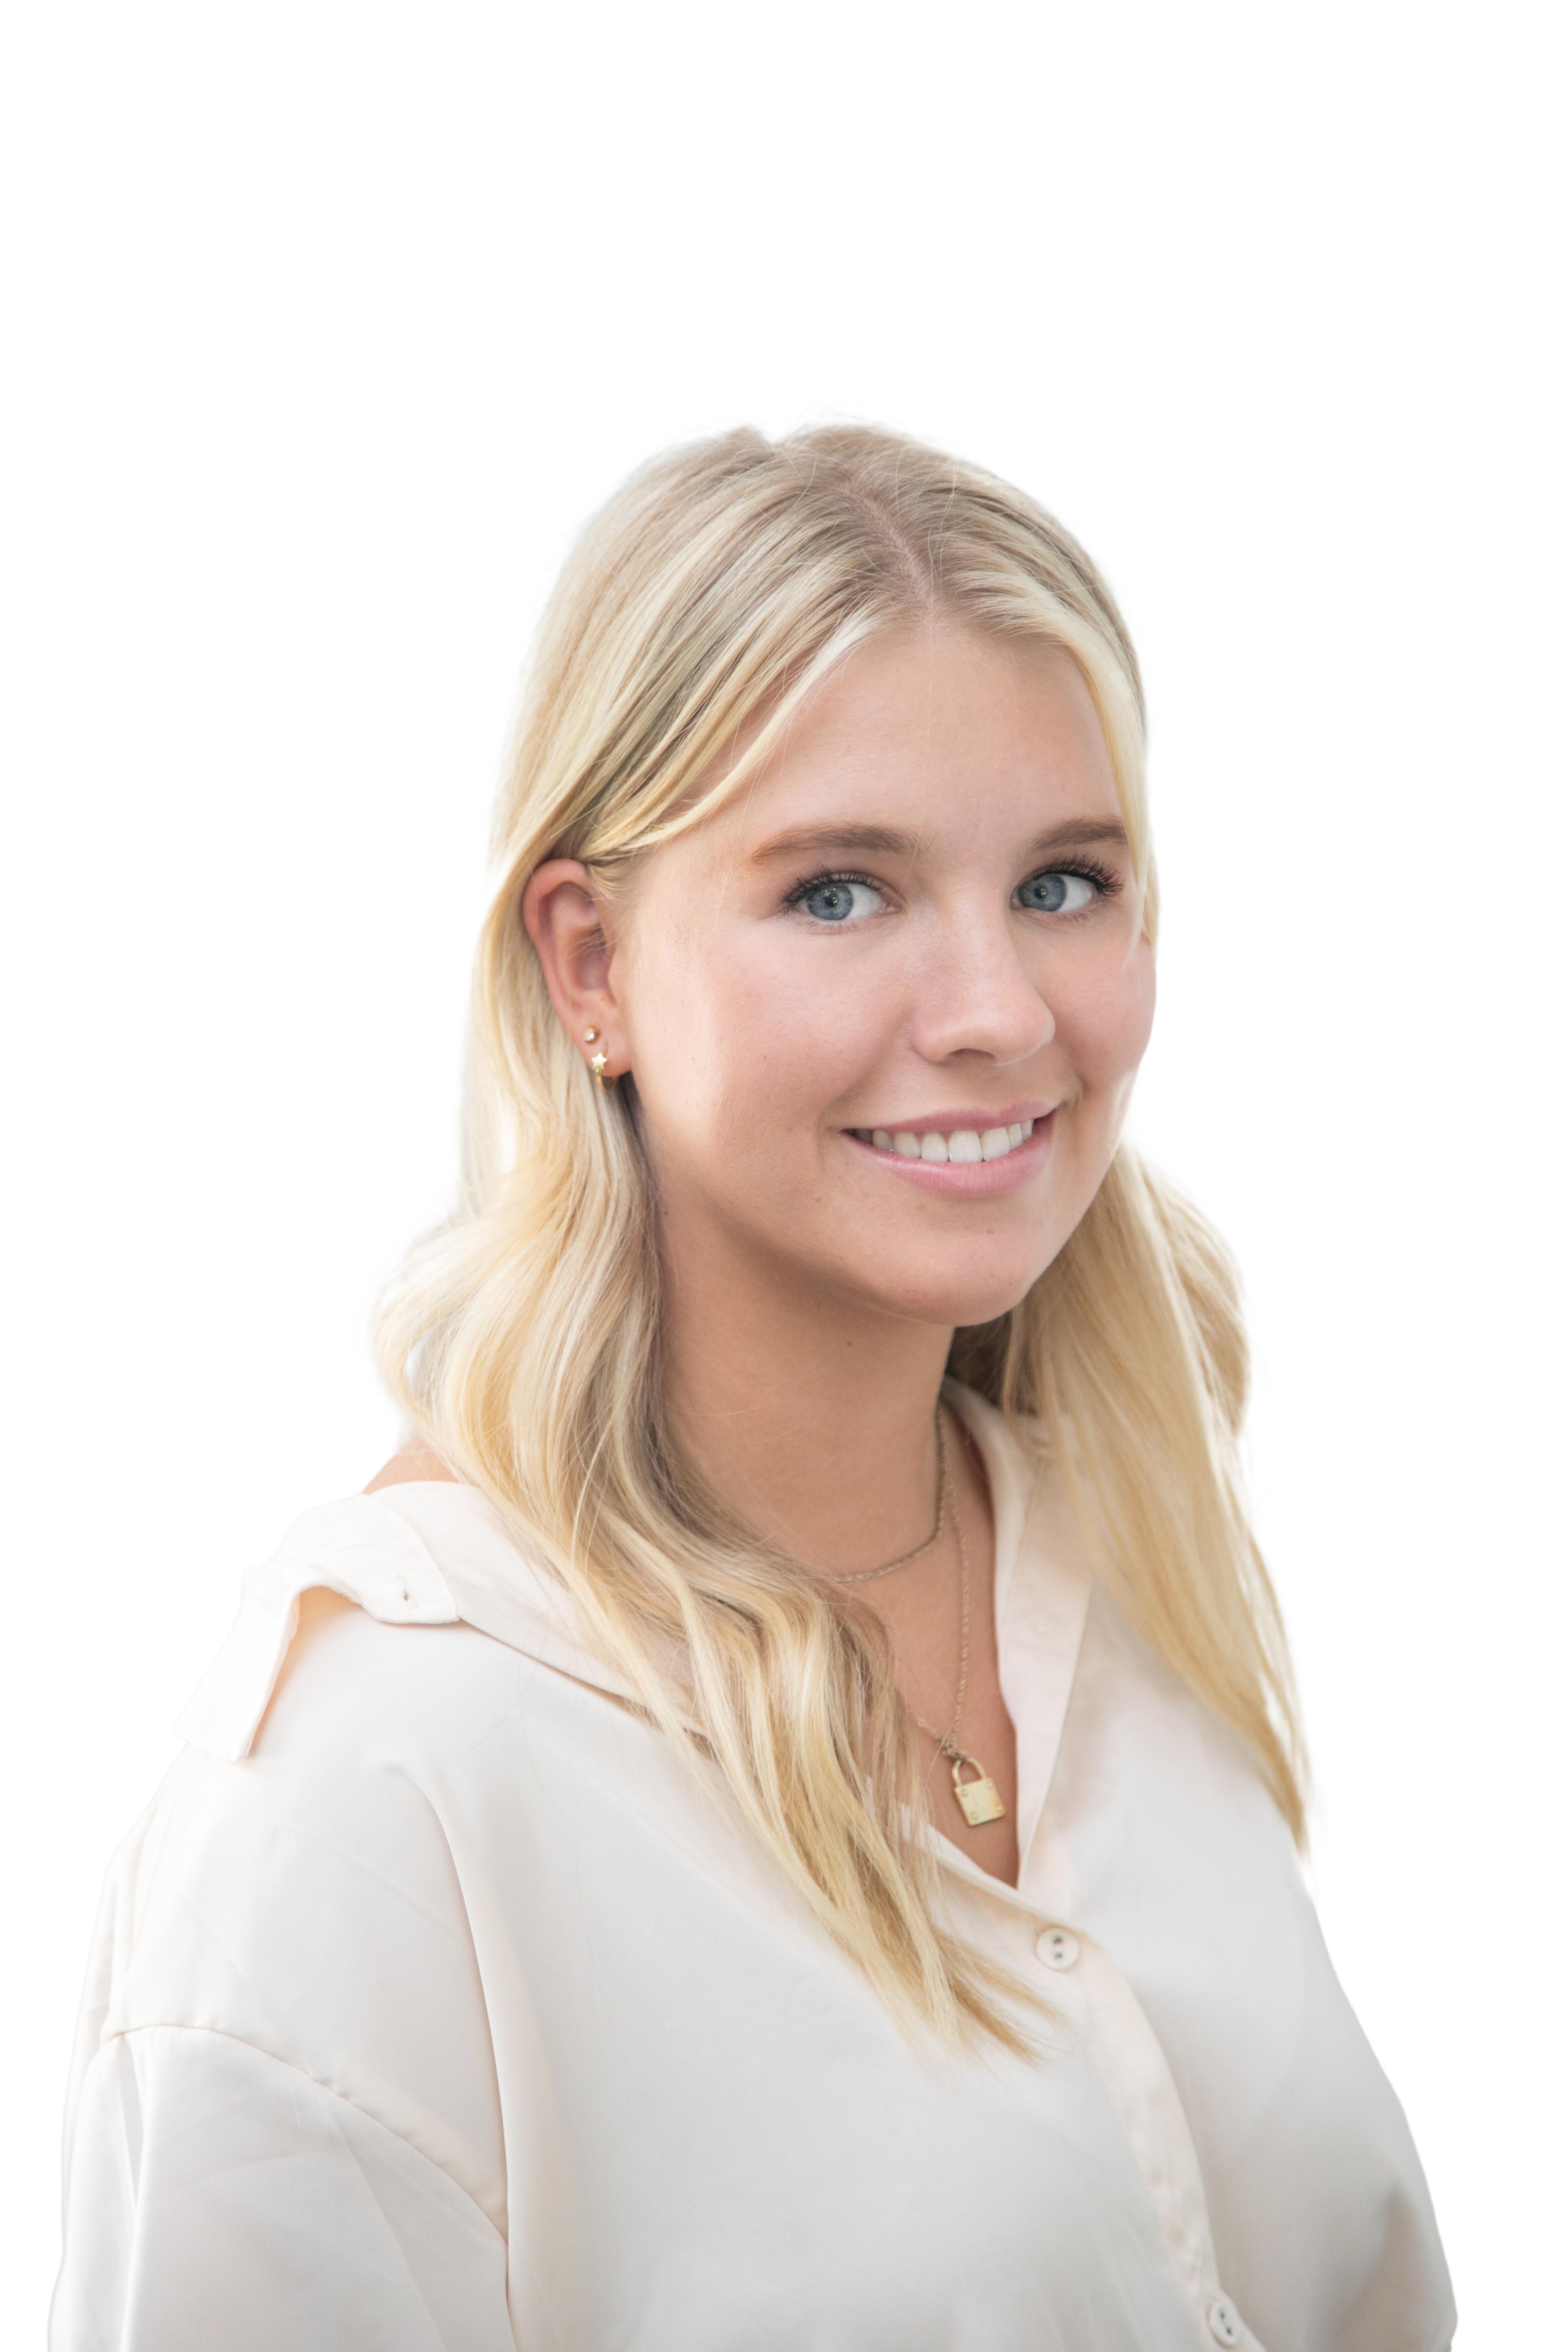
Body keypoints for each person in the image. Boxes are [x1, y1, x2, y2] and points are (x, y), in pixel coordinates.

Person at [49, 425, 1454, 2351]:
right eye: (840, 894)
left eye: (1063, 882)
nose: (1000, 1012)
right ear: (590, 966)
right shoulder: (379, 1785)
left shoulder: (1115, 1560)